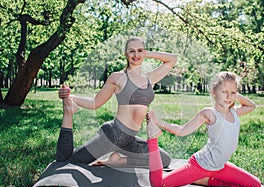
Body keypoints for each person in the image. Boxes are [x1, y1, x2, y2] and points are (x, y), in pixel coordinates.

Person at [56, 36, 177, 167]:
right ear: (125, 54)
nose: (136, 55)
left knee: (164, 159)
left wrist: (146, 53)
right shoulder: (118, 77)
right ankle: (68, 111)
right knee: (67, 162)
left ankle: (118, 161)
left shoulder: (149, 79)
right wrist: (70, 96)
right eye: (131, 51)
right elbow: (95, 103)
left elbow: (172, 59)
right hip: (112, 136)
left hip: (129, 140)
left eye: (139, 50)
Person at [146, 71, 262, 187]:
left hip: (220, 168)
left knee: (255, 186)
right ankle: (152, 138)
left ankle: (205, 180)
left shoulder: (234, 112)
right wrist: (158, 121)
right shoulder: (209, 114)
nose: (228, 97)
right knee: (158, 183)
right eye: (224, 92)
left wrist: (233, 93)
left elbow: (251, 106)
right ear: (213, 92)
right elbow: (181, 131)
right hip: (201, 165)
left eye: (232, 92)